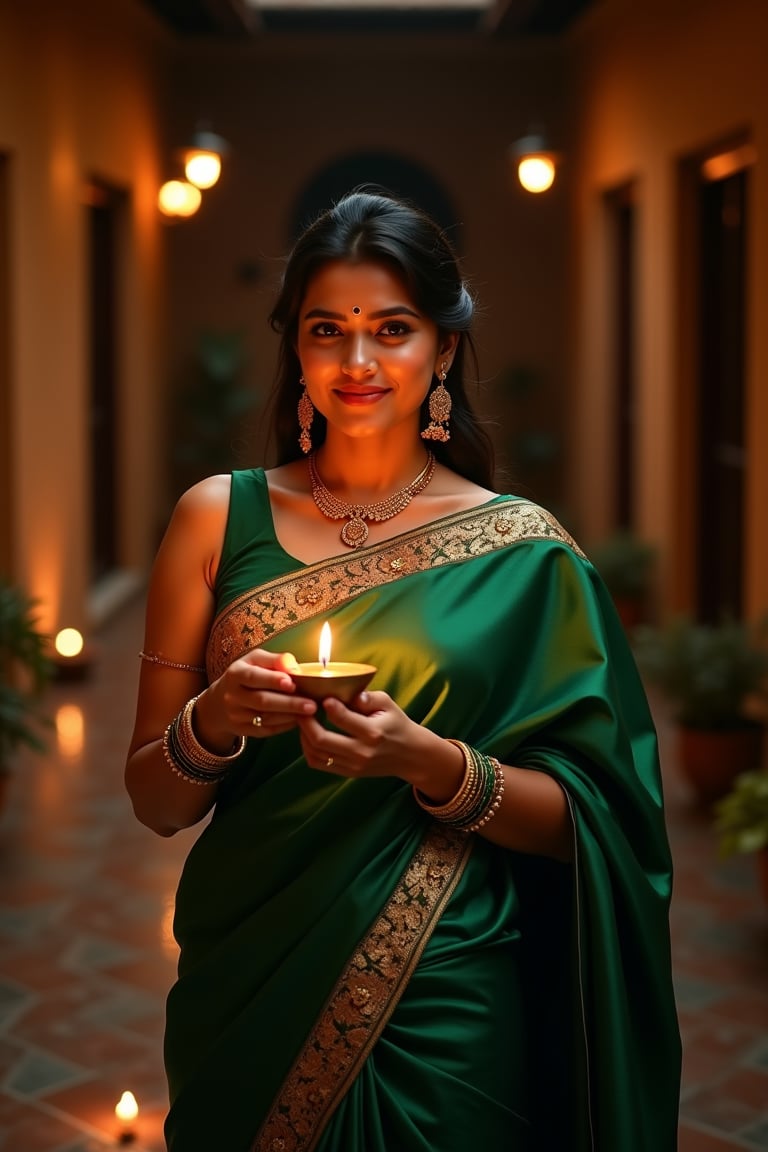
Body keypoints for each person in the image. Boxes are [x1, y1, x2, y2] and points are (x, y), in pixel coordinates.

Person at [125, 187, 681, 1152]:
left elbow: (601, 823)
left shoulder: (526, 555)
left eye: (392, 328)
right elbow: (156, 802)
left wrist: (432, 764)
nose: (358, 361)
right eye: (326, 330)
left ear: (445, 348)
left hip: (448, 977)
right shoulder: (215, 517)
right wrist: (213, 718)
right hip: (250, 963)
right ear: (294, 346)